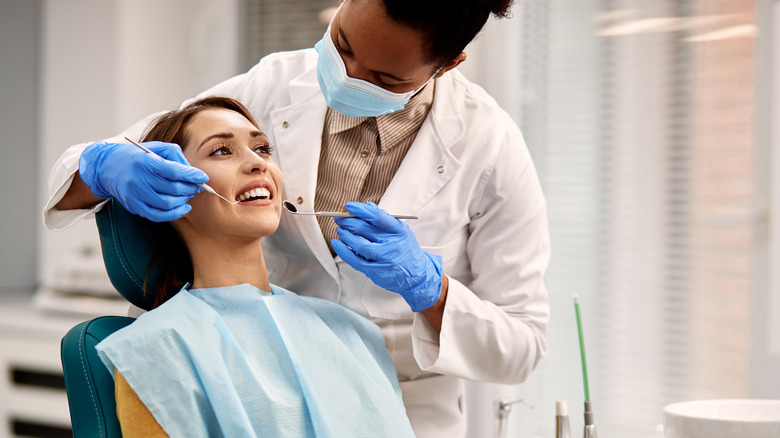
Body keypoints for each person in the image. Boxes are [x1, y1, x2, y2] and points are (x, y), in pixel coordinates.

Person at [44, 0, 551, 435]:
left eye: (383, 78)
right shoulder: (167, 352)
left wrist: (430, 291)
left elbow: (522, 346)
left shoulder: (490, 145)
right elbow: (101, 164)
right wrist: (103, 166)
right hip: (251, 368)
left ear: (448, 65)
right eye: (343, 45)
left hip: (398, 399)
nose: (347, 77)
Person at [93, 96, 416, 437]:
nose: (257, 163)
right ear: (168, 191)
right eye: (221, 151)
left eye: (262, 148)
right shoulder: (155, 351)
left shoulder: (352, 332)